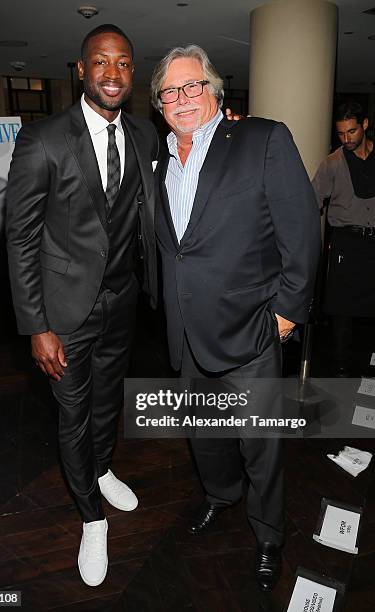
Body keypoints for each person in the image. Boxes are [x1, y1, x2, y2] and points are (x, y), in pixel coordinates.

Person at [151, 45, 320, 591]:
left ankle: (269, 534)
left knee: (260, 445)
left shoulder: (261, 139)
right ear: (158, 104)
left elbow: (301, 233)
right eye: (170, 92)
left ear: (214, 91)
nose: (182, 99)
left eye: (192, 86)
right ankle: (221, 496)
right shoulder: (158, 160)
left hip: (252, 332)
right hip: (187, 337)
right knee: (205, 437)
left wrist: (287, 316)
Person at [6, 24, 159, 587]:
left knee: (105, 403)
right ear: (81, 69)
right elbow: (20, 239)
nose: (112, 73)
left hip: (122, 305)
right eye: (101, 62)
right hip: (63, 314)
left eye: (122, 64)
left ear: (131, 74)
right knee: (72, 415)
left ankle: (103, 468)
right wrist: (37, 325)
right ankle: (91, 519)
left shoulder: (143, 136)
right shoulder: (43, 139)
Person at [312, 102, 375, 377]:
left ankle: (369, 362)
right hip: (345, 244)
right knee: (342, 308)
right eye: (341, 134)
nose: (347, 139)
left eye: (352, 132)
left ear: (365, 125)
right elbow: (312, 202)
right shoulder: (332, 164)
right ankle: (340, 367)